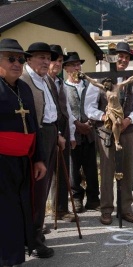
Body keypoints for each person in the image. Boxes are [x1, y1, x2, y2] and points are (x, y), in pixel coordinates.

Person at [85, 42, 133, 225]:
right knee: (107, 170)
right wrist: (104, 117)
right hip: (106, 132)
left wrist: (128, 120)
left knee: (127, 170)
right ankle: (106, 210)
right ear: (112, 58)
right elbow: (89, 107)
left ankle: (125, 209)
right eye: (120, 56)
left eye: (126, 57)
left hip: (128, 131)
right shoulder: (102, 79)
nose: (123, 59)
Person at [0, 38, 46, 266]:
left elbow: (34, 126)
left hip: (24, 160)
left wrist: (38, 159)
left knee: (22, 208)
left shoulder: (24, 88)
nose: (16, 63)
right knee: (5, 209)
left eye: (19, 59)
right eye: (10, 58)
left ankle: (17, 254)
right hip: (1, 161)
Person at [20, 42, 59, 258]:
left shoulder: (47, 80)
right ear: (29, 59)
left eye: (47, 58)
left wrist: (59, 134)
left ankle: (36, 231)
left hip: (50, 134)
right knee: (36, 189)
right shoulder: (25, 80)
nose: (45, 61)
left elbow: (52, 110)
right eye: (40, 57)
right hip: (37, 137)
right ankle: (32, 239)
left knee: (42, 190)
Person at [63, 52, 100, 213]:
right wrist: (77, 125)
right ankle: (77, 198)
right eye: (73, 65)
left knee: (91, 167)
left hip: (89, 131)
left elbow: (96, 105)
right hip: (73, 132)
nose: (77, 68)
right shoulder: (63, 87)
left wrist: (89, 123)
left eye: (78, 64)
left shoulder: (89, 85)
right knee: (73, 168)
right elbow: (65, 110)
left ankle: (93, 199)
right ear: (66, 68)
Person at [47, 44, 76, 222]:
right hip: (52, 131)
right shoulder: (44, 81)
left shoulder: (59, 82)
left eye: (59, 60)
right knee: (52, 172)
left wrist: (71, 134)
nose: (57, 64)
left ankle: (61, 209)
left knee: (63, 172)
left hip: (64, 129)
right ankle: (54, 209)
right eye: (54, 60)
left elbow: (68, 110)